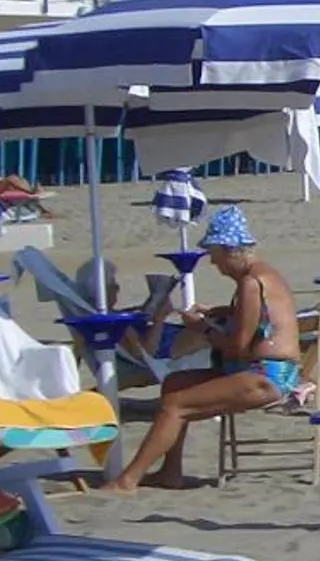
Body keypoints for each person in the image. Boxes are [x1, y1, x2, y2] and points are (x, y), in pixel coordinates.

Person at [104, 206, 302, 493]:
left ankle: (127, 480)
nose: (213, 262)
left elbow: (237, 349)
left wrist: (201, 329)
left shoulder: (250, 284)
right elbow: (257, 318)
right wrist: (218, 313)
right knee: (174, 385)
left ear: (229, 250)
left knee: (176, 405)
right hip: (264, 371)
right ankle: (170, 472)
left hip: (266, 377)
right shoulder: (262, 275)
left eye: (214, 254)